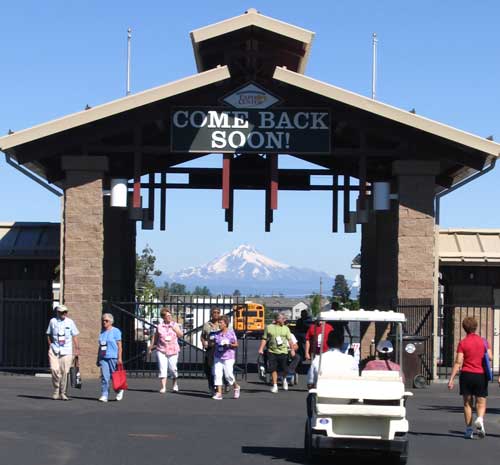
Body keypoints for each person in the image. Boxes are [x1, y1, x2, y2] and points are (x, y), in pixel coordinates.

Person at [448, 316, 493, 439]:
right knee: (481, 402)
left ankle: (468, 430)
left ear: (464, 328)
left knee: (467, 403)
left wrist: (451, 379)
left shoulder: (463, 343)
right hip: (480, 375)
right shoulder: (483, 342)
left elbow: (458, 362)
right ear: (476, 327)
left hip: (466, 375)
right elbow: (490, 357)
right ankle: (479, 419)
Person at [46, 305, 80, 400]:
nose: (64, 313)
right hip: (54, 350)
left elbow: (75, 335)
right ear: (58, 312)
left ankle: (62, 392)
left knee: (65, 372)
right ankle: (56, 389)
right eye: (62, 312)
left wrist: (77, 349)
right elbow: (48, 334)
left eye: (65, 312)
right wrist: (50, 345)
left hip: (66, 350)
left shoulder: (70, 322)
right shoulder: (52, 321)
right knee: (54, 370)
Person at [258, 312, 295, 393]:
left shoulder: (286, 328)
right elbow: (264, 339)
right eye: (283, 319)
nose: (284, 320)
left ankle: (284, 379)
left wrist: (292, 350)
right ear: (278, 319)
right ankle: (275, 385)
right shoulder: (269, 327)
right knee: (273, 368)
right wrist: (261, 348)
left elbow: (290, 340)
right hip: (272, 351)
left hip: (283, 351)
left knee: (285, 368)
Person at [150, 307, 183, 393]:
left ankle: (175, 384)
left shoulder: (175, 325)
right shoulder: (159, 326)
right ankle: (163, 386)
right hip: (161, 350)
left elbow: (180, 335)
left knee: (173, 368)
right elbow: (155, 337)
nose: (169, 317)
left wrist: (175, 329)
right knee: (162, 368)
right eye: (167, 316)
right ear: (163, 317)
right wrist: (151, 346)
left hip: (173, 350)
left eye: (170, 315)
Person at [211, 315, 240, 400]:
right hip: (218, 356)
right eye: (219, 322)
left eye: (221, 322)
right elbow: (213, 343)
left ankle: (236, 386)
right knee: (217, 374)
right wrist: (211, 342)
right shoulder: (217, 333)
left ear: (226, 323)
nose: (219, 324)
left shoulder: (231, 333)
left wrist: (229, 345)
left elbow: (236, 344)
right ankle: (219, 393)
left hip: (228, 356)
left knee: (228, 375)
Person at [97, 313, 124, 402]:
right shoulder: (102, 332)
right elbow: (101, 346)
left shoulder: (116, 331)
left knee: (114, 376)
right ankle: (104, 394)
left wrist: (119, 358)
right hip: (103, 357)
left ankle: (119, 390)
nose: (104, 322)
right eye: (103, 320)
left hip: (113, 357)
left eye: (106, 321)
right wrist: (98, 358)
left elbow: (119, 346)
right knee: (105, 377)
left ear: (111, 322)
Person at [201, 307, 222, 392]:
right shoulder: (206, 325)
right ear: (211, 314)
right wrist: (203, 342)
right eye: (214, 312)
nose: (216, 314)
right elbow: (202, 336)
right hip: (210, 349)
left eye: (218, 312)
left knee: (219, 368)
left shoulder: (222, 324)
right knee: (208, 368)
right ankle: (211, 385)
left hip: (220, 349)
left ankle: (220, 385)